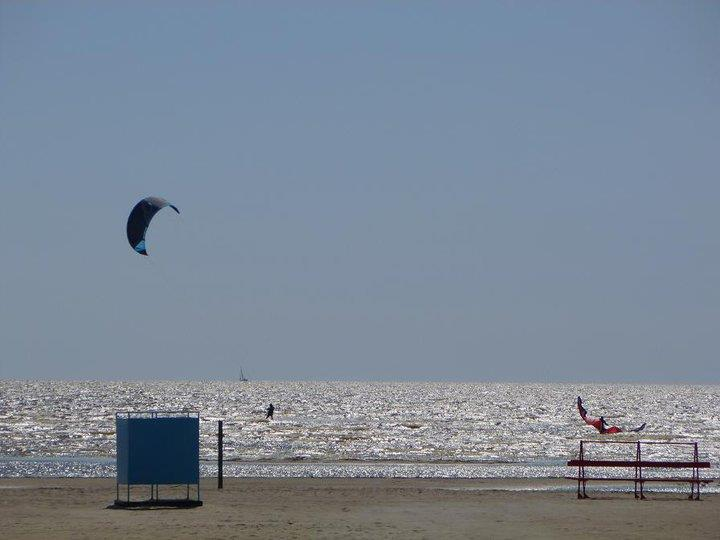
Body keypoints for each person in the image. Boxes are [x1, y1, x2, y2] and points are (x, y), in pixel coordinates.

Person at [577, 396, 645, 434]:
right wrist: (579, 403)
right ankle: (637, 429)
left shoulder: (589, 420)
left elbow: (582, 412)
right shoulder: (588, 419)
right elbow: (582, 412)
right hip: (608, 430)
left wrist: (579, 403)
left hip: (609, 431)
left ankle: (637, 429)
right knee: (626, 432)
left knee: (626, 432)